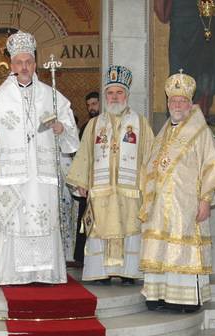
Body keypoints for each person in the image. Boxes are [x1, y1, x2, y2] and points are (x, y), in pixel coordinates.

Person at [0, 31, 79, 286]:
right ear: (11, 65)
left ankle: (45, 273)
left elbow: (71, 137)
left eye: (28, 62)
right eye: (19, 62)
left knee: (43, 220)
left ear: (35, 64)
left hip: (43, 175)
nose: (24, 67)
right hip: (13, 174)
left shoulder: (52, 96)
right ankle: (13, 274)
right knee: (16, 223)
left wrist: (62, 129)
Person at [139, 71, 215, 311]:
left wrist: (205, 200)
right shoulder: (163, 133)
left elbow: (212, 166)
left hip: (186, 203)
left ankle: (185, 299)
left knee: (182, 247)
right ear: (168, 105)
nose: (177, 105)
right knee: (160, 247)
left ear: (190, 104)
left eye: (182, 101)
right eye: (173, 101)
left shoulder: (200, 131)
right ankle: (158, 295)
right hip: (159, 204)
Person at [67, 65, 154, 286]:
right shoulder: (95, 125)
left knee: (130, 228)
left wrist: (148, 186)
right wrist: (81, 182)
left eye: (119, 92)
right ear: (105, 95)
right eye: (110, 93)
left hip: (130, 191)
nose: (114, 97)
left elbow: (150, 157)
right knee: (100, 227)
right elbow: (85, 154)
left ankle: (128, 272)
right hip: (101, 189)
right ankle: (101, 273)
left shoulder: (141, 124)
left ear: (126, 94)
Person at [74, 91, 101, 264]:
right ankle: (83, 257)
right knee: (86, 216)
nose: (91, 108)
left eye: (94, 104)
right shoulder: (86, 127)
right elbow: (81, 155)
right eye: (89, 105)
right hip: (90, 180)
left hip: (104, 180)